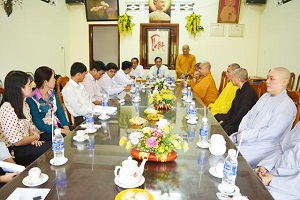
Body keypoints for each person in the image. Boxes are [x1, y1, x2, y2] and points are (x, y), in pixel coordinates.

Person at [230, 67, 296, 168]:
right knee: (221, 145)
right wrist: (243, 131)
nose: (267, 81)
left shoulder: (286, 105)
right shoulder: (265, 96)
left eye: (271, 78)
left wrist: (246, 135)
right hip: (246, 137)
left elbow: (271, 133)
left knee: (229, 159)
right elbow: (249, 115)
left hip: (264, 147)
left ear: (284, 82)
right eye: (267, 78)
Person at [0, 71, 51, 166]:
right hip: (16, 151)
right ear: (20, 88)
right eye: (29, 84)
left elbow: (30, 124)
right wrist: (35, 137)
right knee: (53, 146)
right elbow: (17, 142)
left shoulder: (24, 104)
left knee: (57, 138)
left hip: (28, 141)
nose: (32, 86)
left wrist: (32, 136)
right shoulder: (7, 109)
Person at [254, 122, 300, 200]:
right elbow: (282, 149)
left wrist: (272, 181)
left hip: (286, 189)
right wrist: (265, 166)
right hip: (271, 173)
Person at [26, 66, 71, 141]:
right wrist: (62, 131)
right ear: (45, 82)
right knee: (63, 138)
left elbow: (60, 113)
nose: (55, 80)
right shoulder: (31, 99)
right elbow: (40, 125)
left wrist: (66, 128)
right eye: (53, 78)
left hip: (57, 125)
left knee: (75, 132)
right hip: (44, 131)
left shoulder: (52, 93)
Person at [215, 68, 258, 135]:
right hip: (235, 118)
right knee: (217, 119)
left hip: (242, 123)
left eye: (233, 77)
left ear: (238, 79)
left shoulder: (248, 93)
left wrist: (227, 123)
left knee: (224, 129)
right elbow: (232, 109)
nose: (231, 79)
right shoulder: (239, 90)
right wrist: (224, 120)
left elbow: (241, 114)